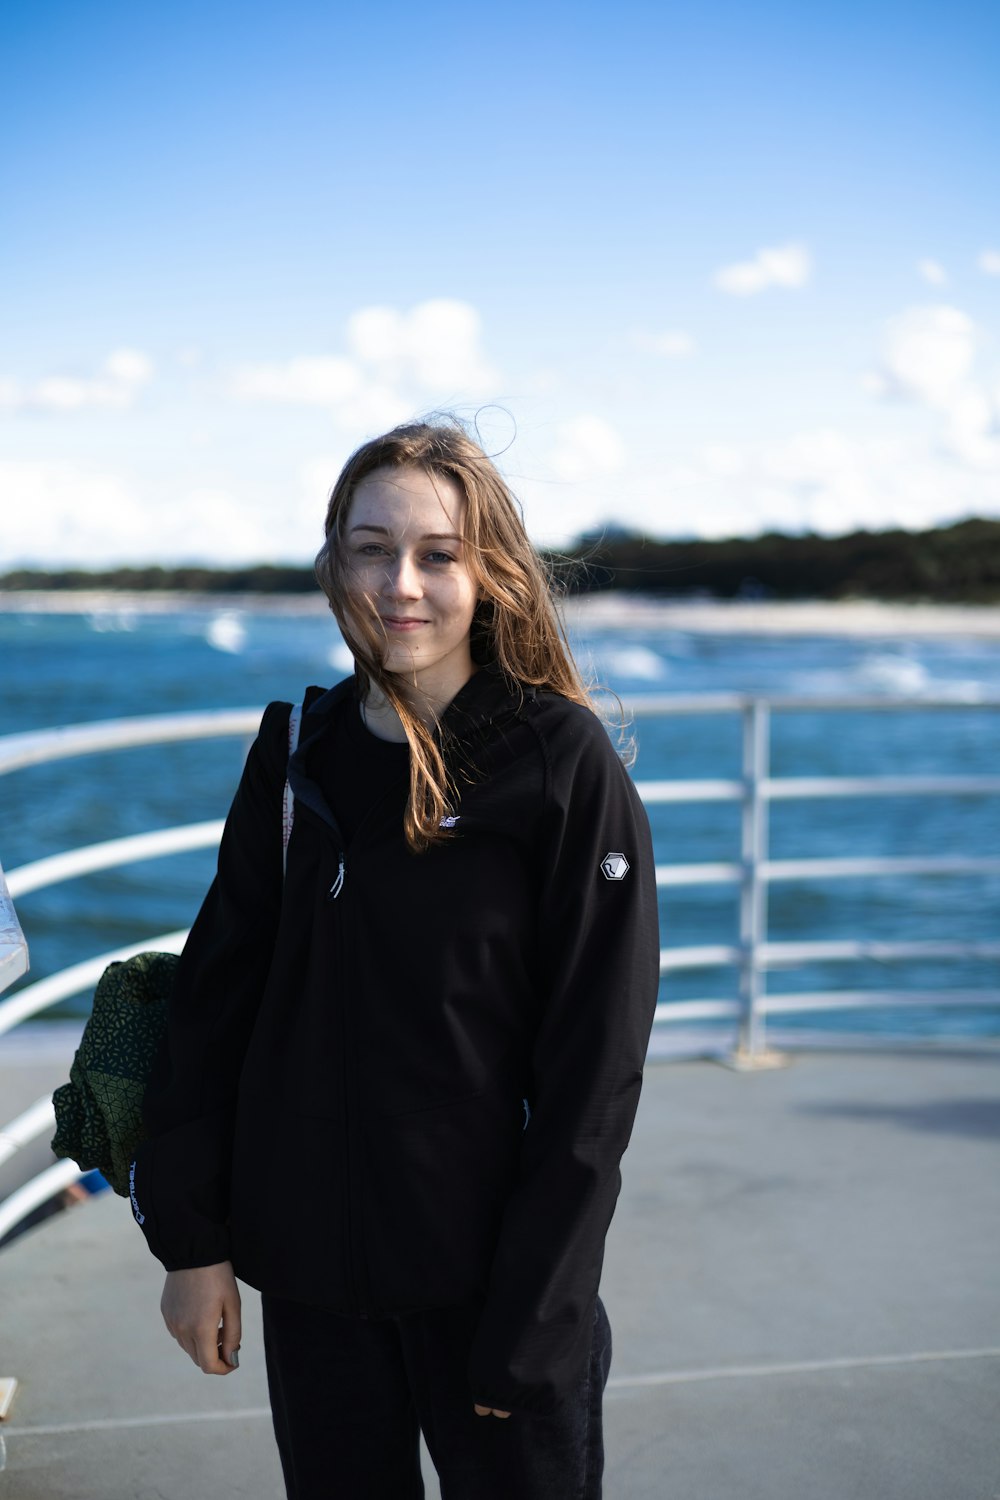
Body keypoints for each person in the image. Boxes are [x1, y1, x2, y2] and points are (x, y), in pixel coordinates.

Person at [130, 417, 660, 1499]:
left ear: (491, 571)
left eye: (437, 554)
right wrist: (193, 1244)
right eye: (371, 548)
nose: (400, 584)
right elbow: (212, 1009)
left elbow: (592, 1073)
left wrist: (539, 1313)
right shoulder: (295, 755)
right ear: (334, 561)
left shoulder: (558, 760)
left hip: (493, 1286)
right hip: (314, 1283)